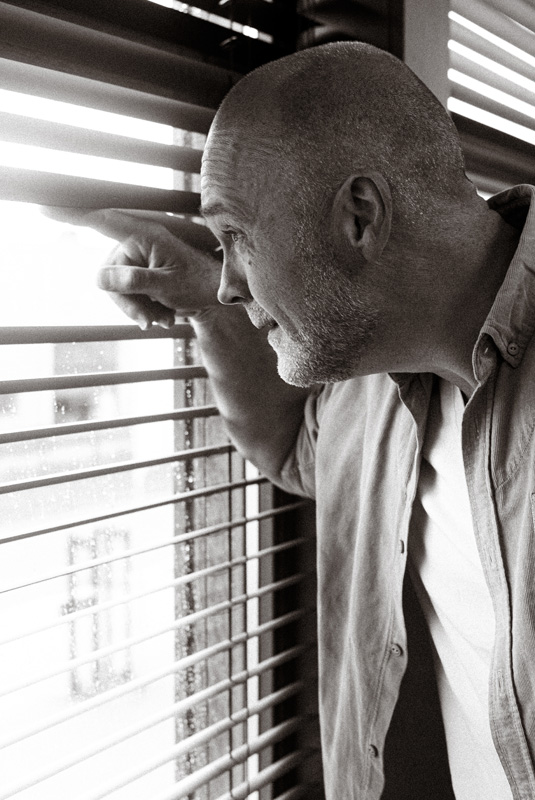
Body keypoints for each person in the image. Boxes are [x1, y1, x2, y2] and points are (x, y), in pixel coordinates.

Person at [45, 41, 535, 800]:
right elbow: (295, 448)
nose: (230, 283)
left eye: (236, 236)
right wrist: (202, 302)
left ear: (359, 216)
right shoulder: (375, 377)